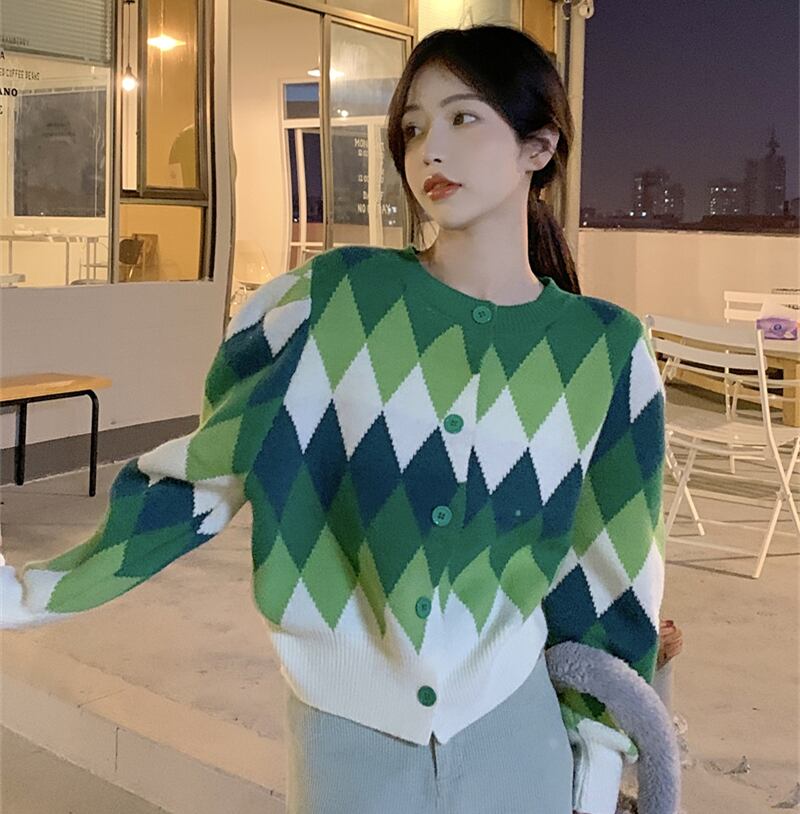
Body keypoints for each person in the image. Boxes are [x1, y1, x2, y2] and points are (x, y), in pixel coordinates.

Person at [0, 24, 668, 814]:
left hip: (516, 734)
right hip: (347, 738)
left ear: (539, 146)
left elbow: (610, 569)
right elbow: (199, 478)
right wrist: (30, 591)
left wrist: (597, 750)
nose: (430, 150)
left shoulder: (605, 351)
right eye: (412, 128)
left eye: (463, 118)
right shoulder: (328, 304)